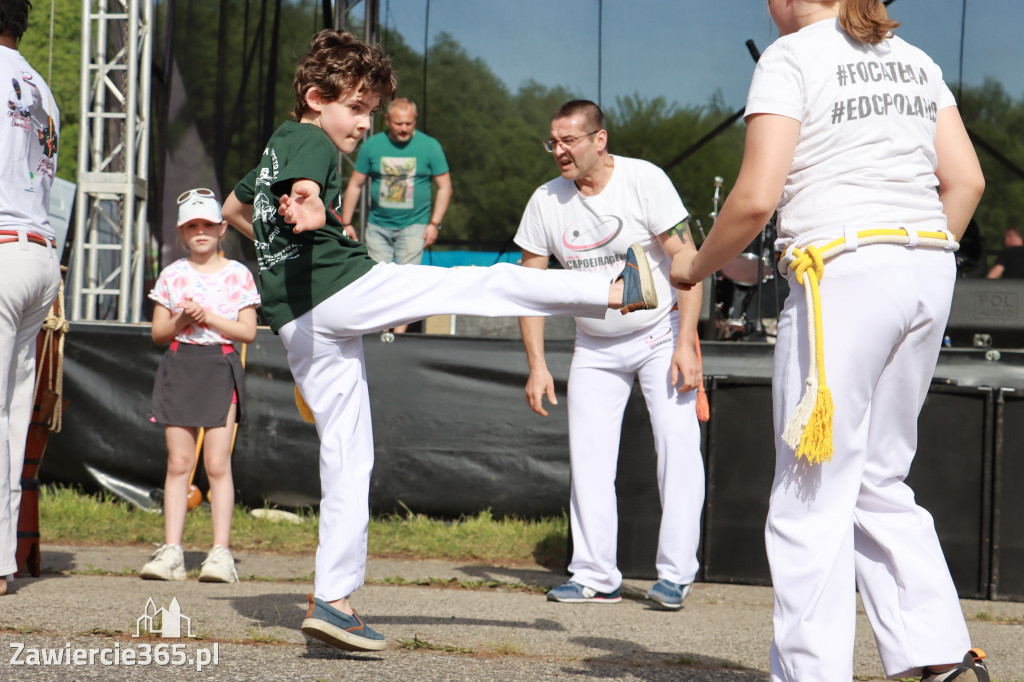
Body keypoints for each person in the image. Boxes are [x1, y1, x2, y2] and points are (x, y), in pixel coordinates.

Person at [220, 29, 660, 653]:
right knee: (481, 284)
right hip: (340, 294)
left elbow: (237, 210)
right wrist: (313, 208)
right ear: (316, 98)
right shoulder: (309, 140)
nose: (365, 124)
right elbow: (305, 186)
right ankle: (613, 290)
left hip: (296, 321)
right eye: (358, 108)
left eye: (373, 110)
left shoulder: (275, 145)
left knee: (348, 455)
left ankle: (333, 602)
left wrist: (285, 239)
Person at [670, 1, 988, 680]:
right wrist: (909, 254)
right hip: (928, 262)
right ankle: (940, 657)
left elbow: (756, 198)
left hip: (841, 270)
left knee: (810, 490)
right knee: (879, 474)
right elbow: (968, 180)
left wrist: (694, 267)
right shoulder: (915, 59)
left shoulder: (791, 57)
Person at [514, 99, 705, 609]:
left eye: (568, 141)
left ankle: (676, 574)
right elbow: (527, 287)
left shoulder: (645, 180)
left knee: (677, 448)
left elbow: (687, 261)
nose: (558, 151)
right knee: (590, 460)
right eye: (552, 142)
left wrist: (686, 342)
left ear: (599, 140)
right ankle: (595, 574)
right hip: (594, 346)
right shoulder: (545, 202)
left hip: (659, 334)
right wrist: (537, 365)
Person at [140, 189, 260, 584]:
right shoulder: (172, 274)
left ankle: (220, 554)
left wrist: (207, 318)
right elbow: (159, 332)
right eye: (192, 225)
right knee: (178, 463)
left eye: (208, 224)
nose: (201, 231)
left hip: (219, 365)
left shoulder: (238, 274)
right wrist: (182, 321)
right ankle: (172, 551)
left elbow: (247, 332)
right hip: (180, 364)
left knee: (216, 463)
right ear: (181, 232)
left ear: (223, 228)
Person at [0, 0, 60, 597]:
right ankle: (2, 560)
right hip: (39, 250)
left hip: (3, 247)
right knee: (12, 416)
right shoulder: (38, 84)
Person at [340, 96, 451, 334]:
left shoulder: (429, 146)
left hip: (414, 225)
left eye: (409, 124)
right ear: (387, 119)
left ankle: (398, 337)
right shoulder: (372, 145)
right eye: (399, 123)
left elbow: (445, 187)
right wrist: (346, 221)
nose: (404, 129)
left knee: (406, 283)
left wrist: (434, 224)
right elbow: (356, 184)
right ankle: (382, 333)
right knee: (378, 282)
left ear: (415, 120)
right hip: (378, 226)